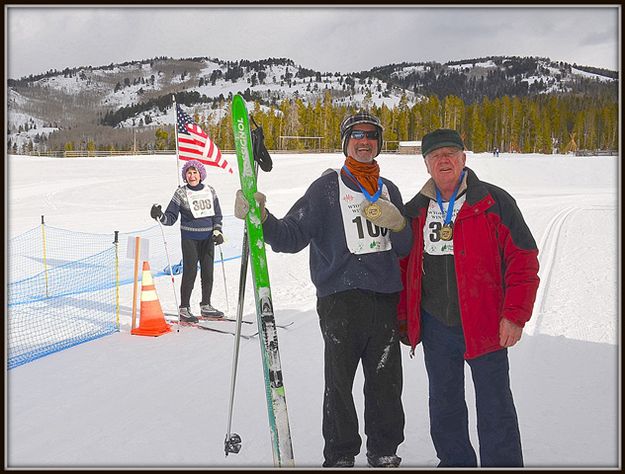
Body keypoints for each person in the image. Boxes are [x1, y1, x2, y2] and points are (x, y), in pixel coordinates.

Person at [234, 111, 413, 468]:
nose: (365, 142)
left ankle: (384, 450)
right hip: (340, 301)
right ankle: (341, 454)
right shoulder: (326, 188)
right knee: (339, 384)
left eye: (371, 136)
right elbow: (292, 236)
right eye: (357, 136)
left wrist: (400, 223)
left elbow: (405, 248)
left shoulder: (389, 188)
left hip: (384, 298)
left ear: (379, 142)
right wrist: (262, 219)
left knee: (386, 382)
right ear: (345, 142)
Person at [397, 129, 540, 467]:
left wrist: (515, 315)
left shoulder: (493, 201)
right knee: (444, 404)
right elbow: (404, 269)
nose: (443, 160)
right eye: (435, 156)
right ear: (426, 164)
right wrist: (406, 318)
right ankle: (455, 462)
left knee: (495, 404)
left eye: (450, 153)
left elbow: (523, 258)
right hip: (436, 325)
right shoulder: (415, 210)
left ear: (464, 158)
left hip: (486, 323)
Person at [150, 159, 225, 323]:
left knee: (208, 272)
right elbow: (170, 218)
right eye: (189, 173)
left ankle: (206, 305)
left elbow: (217, 215)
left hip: (208, 238)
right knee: (190, 272)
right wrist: (159, 215)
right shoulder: (181, 193)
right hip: (190, 238)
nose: (192, 176)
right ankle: (184, 308)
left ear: (201, 175)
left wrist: (218, 230)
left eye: (195, 172)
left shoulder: (210, 191)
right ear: (185, 176)